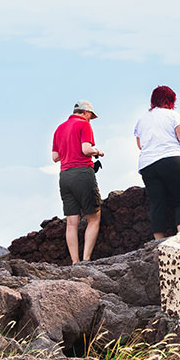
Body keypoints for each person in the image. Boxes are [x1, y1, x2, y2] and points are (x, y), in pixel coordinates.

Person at [134, 86, 180, 240]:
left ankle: (158, 240)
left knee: (157, 203)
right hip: (170, 159)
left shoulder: (142, 119)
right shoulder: (172, 115)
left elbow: (140, 145)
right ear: (171, 100)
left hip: (147, 164)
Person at [52, 100, 105, 263]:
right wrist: (98, 152)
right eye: (90, 116)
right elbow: (86, 149)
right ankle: (86, 259)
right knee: (94, 217)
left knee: (72, 222)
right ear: (86, 113)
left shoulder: (59, 129)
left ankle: (75, 262)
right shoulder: (84, 125)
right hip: (82, 172)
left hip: (65, 175)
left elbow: (55, 157)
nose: (90, 119)